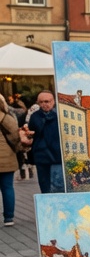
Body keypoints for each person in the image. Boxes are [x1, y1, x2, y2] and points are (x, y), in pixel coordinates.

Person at [19, 90, 63, 193]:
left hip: (57, 156)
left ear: (53, 101)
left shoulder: (60, 116)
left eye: (46, 101)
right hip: (41, 156)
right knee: (44, 186)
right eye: (41, 102)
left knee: (58, 186)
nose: (44, 104)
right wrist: (28, 135)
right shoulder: (35, 116)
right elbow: (32, 134)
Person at [0, 97, 20, 226]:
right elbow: (16, 137)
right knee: (7, 187)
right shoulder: (6, 118)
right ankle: (9, 218)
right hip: (7, 159)